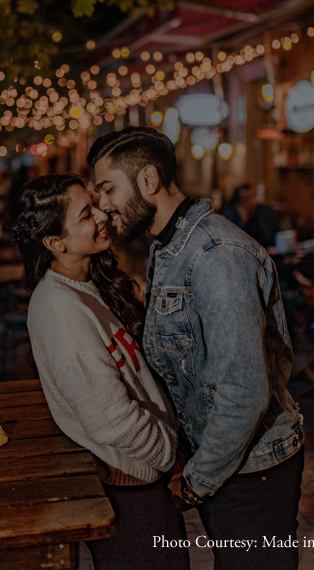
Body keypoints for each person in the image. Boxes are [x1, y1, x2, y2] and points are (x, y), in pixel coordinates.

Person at [87, 127, 304, 570]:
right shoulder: (168, 247)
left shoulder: (215, 255)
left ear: (148, 179)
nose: (102, 205)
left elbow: (243, 392)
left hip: (251, 472)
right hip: (225, 463)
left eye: (107, 189)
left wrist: (194, 482)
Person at [10, 174, 189, 570]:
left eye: (96, 203)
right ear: (56, 243)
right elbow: (110, 419)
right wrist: (167, 454)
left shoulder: (83, 286)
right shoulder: (60, 311)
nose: (102, 214)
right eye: (86, 213)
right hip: (131, 488)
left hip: (142, 482)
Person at [222, 183, 279, 249]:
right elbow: (232, 242)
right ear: (238, 202)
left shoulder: (265, 211)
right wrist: (243, 222)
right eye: (246, 199)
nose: (250, 202)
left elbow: (274, 235)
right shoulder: (230, 215)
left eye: (252, 197)